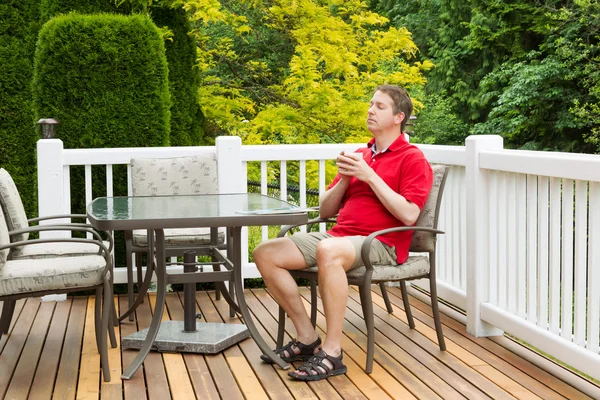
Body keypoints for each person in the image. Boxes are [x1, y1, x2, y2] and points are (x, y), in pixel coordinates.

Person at [253, 84, 433, 381]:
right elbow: (325, 211)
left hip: (381, 242)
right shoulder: (361, 154)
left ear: (398, 117)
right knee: (266, 253)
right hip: (339, 236)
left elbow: (409, 214)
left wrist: (370, 176)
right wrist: (345, 180)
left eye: (380, 106)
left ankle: (333, 352)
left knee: (328, 251)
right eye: (371, 104)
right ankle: (307, 338)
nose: (370, 110)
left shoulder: (412, 158)